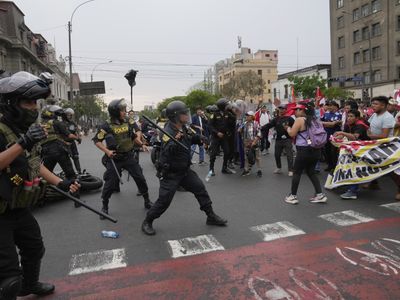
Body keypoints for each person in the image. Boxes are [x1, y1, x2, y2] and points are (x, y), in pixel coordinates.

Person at [0, 71, 79, 299]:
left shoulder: (25, 130)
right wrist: (23, 143)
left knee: (34, 249)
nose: (33, 107)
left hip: (19, 207)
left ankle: (30, 285)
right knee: (8, 278)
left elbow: (34, 163)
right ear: (10, 103)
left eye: (35, 102)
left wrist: (61, 182)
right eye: (27, 101)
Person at [141, 101, 227, 235]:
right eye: (183, 113)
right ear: (175, 116)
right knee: (164, 201)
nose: (186, 115)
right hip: (170, 173)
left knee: (200, 189)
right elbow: (169, 150)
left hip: (184, 170)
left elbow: (193, 137)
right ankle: (147, 221)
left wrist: (203, 140)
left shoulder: (185, 127)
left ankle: (211, 216)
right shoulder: (166, 132)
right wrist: (176, 139)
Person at [93, 99, 153, 219]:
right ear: (115, 112)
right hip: (115, 158)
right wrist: (107, 151)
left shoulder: (128, 121)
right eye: (122, 110)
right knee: (110, 183)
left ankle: (147, 201)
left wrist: (142, 145)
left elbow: (134, 136)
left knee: (140, 178)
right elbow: (97, 141)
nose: (125, 112)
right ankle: (105, 206)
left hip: (129, 156)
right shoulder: (106, 125)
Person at [284, 103, 328, 204]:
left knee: (297, 172)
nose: (295, 112)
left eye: (297, 110)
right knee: (311, 172)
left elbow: (292, 134)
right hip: (316, 149)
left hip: (304, 150)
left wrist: (287, 128)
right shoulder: (315, 120)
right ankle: (320, 195)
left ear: (303, 110)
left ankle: (293, 196)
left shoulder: (300, 120)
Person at [366, 96, 399, 198]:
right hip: (375, 145)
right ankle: (373, 183)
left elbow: (384, 136)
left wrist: (371, 136)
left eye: (376, 104)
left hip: (387, 147)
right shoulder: (374, 115)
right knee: (370, 163)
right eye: (372, 104)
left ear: (383, 105)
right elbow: (370, 126)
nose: (373, 106)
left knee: (391, 170)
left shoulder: (387, 117)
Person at [334, 110, 369, 199]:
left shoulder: (360, 126)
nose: (348, 118)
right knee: (350, 167)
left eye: (351, 116)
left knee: (354, 169)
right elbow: (343, 136)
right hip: (353, 150)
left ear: (357, 118)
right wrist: (335, 138)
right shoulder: (347, 125)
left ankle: (353, 191)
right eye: (348, 116)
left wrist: (342, 133)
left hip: (364, 150)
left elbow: (355, 136)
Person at [263, 104, 294, 176]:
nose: (281, 110)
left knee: (289, 155)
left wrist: (291, 131)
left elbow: (295, 126)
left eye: (283, 108)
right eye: (280, 108)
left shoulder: (290, 119)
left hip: (288, 139)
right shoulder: (276, 119)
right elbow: (269, 125)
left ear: (286, 110)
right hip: (278, 140)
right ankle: (279, 168)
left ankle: (290, 170)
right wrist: (261, 127)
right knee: (277, 154)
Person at [208, 98, 236, 175]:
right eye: (226, 105)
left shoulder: (227, 113)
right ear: (222, 106)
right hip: (216, 137)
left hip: (224, 137)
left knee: (227, 152)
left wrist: (232, 111)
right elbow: (210, 126)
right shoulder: (214, 114)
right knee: (213, 154)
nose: (228, 106)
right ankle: (211, 169)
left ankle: (224, 168)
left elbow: (234, 119)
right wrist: (217, 133)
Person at [321, 100, 342, 172]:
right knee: (327, 151)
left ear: (335, 106)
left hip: (335, 136)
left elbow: (333, 124)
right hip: (326, 135)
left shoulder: (339, 114)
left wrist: (327, 123)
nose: (329, 107)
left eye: (330, 105)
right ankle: (330, 165)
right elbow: (319, 122)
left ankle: (335, 166)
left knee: (334, 152)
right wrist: (328, 123)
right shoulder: (326, 114)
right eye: (328, 105)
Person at [239, 111, 262, 177]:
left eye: (248, 115)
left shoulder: (256, 123)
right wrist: (240, 128)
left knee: (257, 157)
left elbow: (259, 133)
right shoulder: (244, 123)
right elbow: (239, 131)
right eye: (246, 115)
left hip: (255, 142)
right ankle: (246, 170)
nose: (247, 117)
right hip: (246, 143)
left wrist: (255, 141)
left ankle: (259, 170)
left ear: (252, 117)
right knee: (246, 157)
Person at [61, 108, 82, 174]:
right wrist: (77, 138)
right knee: (66, 159)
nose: (70, 116)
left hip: (72, 142)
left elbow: (76, 130)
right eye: (68, 115)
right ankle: (69, 173)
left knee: (76, 156)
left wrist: (79, 136)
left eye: (71, 115)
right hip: (64, 143)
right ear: (64, 115)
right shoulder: (61, 124)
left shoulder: (72, 123)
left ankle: (79, 171)